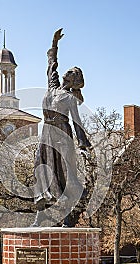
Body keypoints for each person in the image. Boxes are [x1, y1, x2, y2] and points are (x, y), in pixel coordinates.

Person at [33, 28, 91, 227]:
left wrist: (83, 144)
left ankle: (67, 216)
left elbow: (76, 121)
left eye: (71, 73)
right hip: (46, 133)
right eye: (68, 71)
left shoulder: (70, 98)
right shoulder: (53, 86)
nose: (66, 72)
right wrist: (54, 44)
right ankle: (41, 213)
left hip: (62, 136)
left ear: (74, 80)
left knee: (64, 175)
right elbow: (51, 66)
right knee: (41, 170)